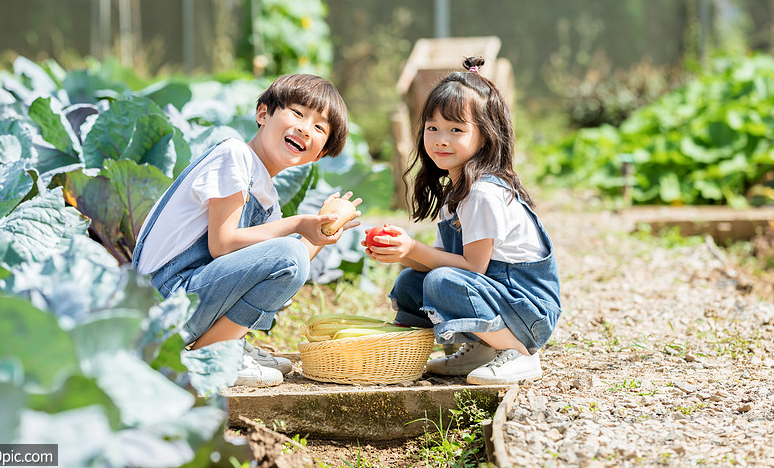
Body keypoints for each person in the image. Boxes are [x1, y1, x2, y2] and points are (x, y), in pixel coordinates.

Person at [133, 73, 361, 387]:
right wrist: (297, 224)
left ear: (320, 154)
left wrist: (320, 234)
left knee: (290, 258)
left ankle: (225, 343)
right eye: (297, 113)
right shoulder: (234, 155)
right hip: (161, 303)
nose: (305, 128)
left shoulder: (267, 196)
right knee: (289, 253)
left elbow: (290, 268)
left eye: (319, 127)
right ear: (263, 113)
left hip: (187, 300)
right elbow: (223, 245)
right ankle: (211, 353)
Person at [364, 56, 560, 385]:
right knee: (412, 282)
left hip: (528, 312)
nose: (441, 139)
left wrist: (412, 246)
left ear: (485, 136)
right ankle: (481, 348)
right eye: (433, 128)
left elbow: (471, 269)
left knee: (442, 283)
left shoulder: (483, 193)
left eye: (456, 129)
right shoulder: (455, 192)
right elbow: (441, 262)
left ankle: (521, 354)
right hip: (498, 297)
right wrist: (401, 252)